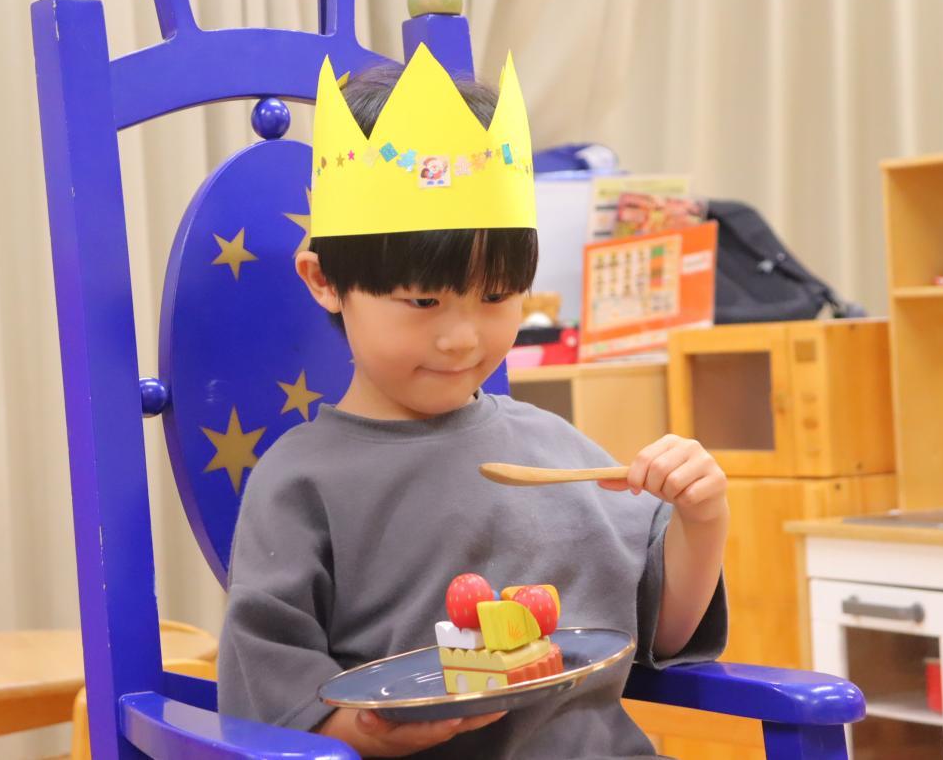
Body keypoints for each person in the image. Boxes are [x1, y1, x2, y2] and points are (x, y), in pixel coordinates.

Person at [217, 46, 728, 759]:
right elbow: (274, 705)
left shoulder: (553, 447)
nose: (462, 337)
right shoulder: (300, 482)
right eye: (423, 301)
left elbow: (661, 630)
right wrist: (373, 732)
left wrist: (702, 518)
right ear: (325, 280)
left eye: (495, 297)